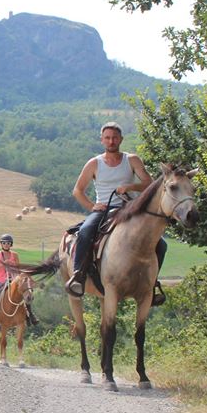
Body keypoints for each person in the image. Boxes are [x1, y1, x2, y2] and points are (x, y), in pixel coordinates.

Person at [65, 122, 167, 305]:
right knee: (86, 232)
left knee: (161, 244)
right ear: (102, 140)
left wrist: (130, 187)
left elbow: (150, 184)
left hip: (130, 209)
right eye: (107, 138)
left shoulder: (132, 160)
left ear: (121, 139)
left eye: (114, 138)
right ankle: (78, 275)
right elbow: (77, 191)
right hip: (104, 210)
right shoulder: (94, 163)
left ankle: (151, 284)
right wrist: (92, 206)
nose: (111, 141)